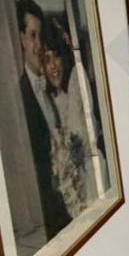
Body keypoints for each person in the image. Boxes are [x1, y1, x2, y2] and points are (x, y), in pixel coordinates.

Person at [16, 0, 71, 237]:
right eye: (32, 36)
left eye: (40, 36)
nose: (38, 44)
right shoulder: (19, 96)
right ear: (21, 39)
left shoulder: (52, 85)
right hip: (48, 220)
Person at [42, 21, 98, 217]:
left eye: (56, 56)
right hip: (69, 192)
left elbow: (84, 135)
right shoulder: (49, 102)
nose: (53, 66)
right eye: (47, 59)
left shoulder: (76, 79)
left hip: (91, 178)